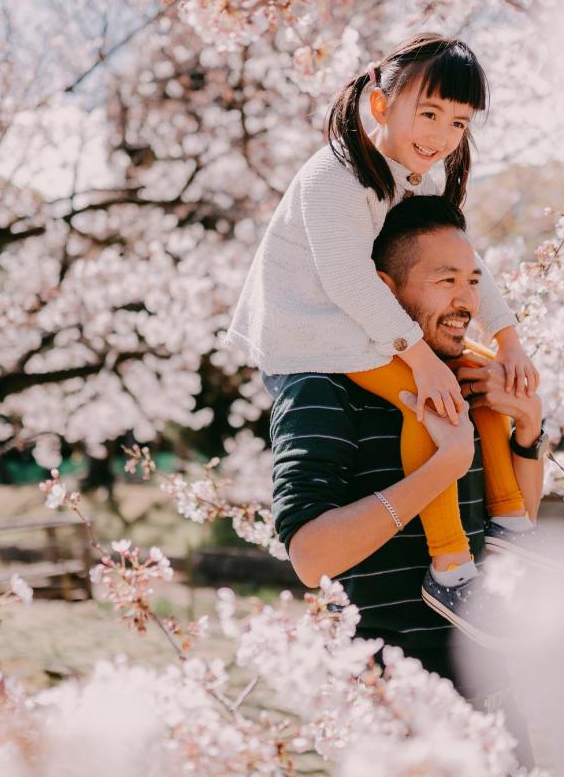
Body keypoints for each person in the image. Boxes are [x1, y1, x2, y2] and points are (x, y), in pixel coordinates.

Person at [228, 34, 547, 631]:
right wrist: (422, 357)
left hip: (363, 331)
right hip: (313, 340)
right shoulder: (337, 176)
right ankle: (452, 569)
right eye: (428, 114)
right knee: (430, 399)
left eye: (458, 122)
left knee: (479, 372)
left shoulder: (416, 180)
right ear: (380, 106)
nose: (442, 135)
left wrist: (508, 341)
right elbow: (348, 281)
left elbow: (471, 263)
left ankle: (509, 522)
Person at [268, 196, 547, 763]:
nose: (466, 300)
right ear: (383, 290)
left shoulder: (463, 375)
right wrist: (441, 465)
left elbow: (515, 527)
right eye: (445, 281)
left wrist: (527, 430)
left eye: (473, 280)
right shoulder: (323, 387)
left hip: (494, 705)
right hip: (393, 714)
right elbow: (310, 557)